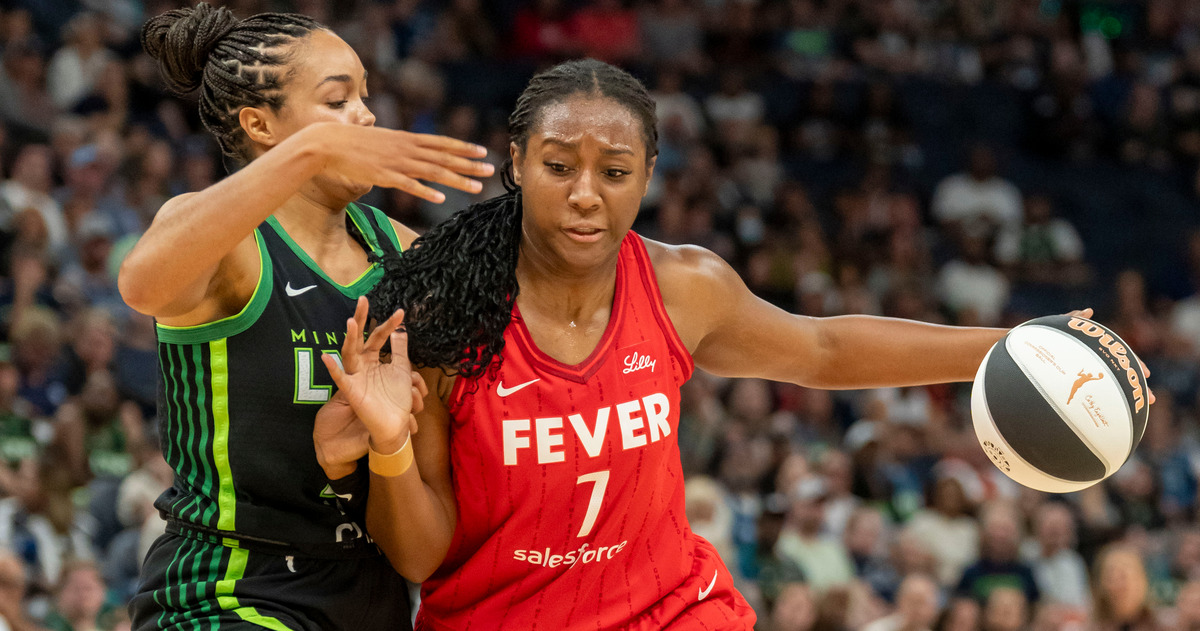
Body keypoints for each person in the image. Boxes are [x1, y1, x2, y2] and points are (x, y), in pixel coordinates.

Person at [315, 59, 1147, 629]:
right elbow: (422, 555)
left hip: (676, 609)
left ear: (647, 176)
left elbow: (821, 351)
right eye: (559, 165)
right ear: (518, 164)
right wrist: (389, 445)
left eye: (614, 171)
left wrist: (1018, 342)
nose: (584, 196)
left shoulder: (682, 285)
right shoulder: (444, 308)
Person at [116, 3, 493, 630]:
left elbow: (422, 556)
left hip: (370, 596)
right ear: (260, 125)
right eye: (338, 101)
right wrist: (313, 149)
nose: (366, 118)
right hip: (232, 589)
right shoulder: (228, 245)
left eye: (364, 99)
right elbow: (141, 283)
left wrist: (390, 445)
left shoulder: (408, 258)